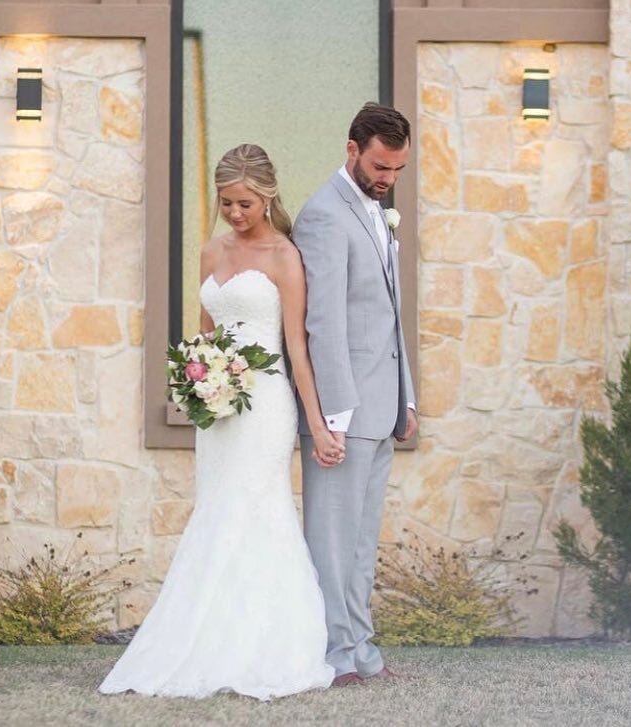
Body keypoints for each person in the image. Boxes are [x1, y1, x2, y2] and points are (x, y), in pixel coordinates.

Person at [99, 144, 341, 700]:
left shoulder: (285, 257)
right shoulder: (210, 253)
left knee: (257, 512)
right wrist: (197, 379)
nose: (235, 213)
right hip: (219, 412)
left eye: (245, 203)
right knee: (216, 513)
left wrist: (320, 425)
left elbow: (296, 348)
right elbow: (205, 337)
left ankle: (266, 646)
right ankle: (203, 642)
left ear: (267, 197)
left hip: (266, 409)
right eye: (227, 202)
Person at [292, 102, 418, 687]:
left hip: (382, 408)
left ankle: (363, 651)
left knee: (362, 545)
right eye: (379, 166)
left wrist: (406, 400)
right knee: (332, 543)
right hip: (344, 414)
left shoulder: (376, 212)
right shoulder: (322, 216)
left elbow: (389, 316)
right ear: (351, 149)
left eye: (396, 170)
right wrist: (330, 418)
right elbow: (324, 325)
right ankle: (335, 656)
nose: (387, 180)